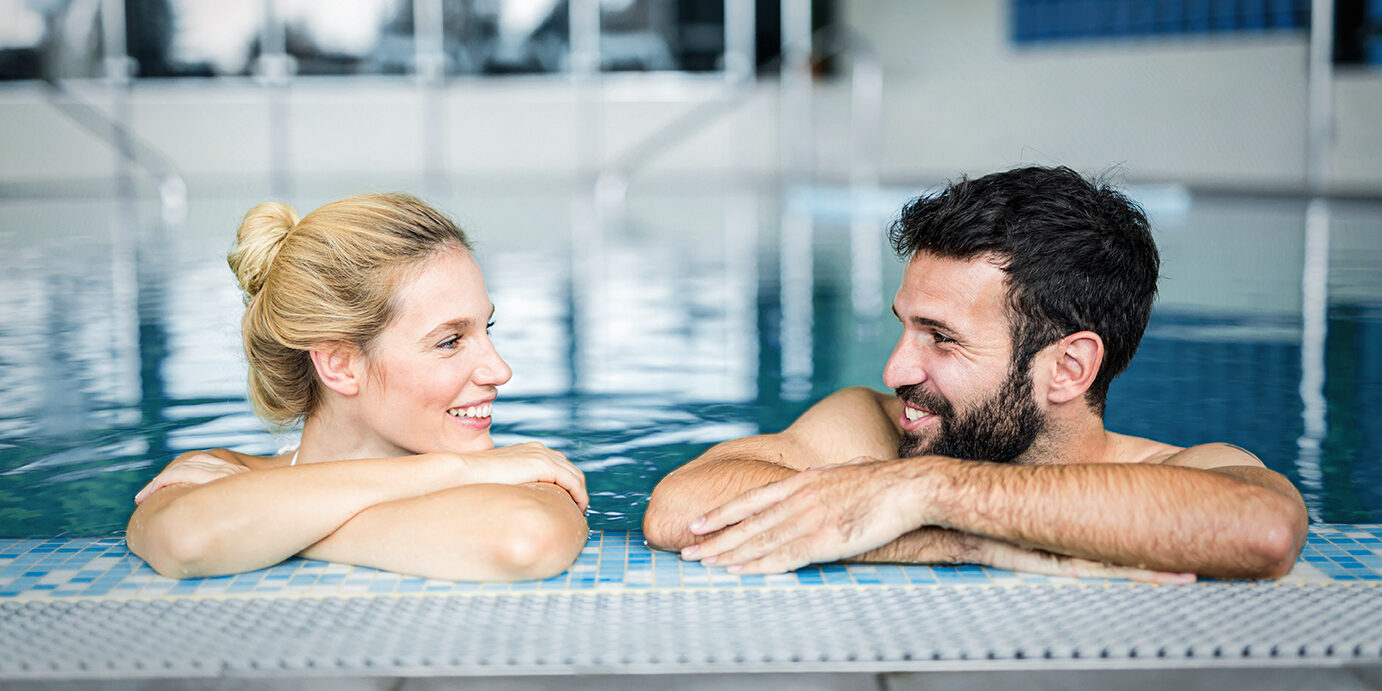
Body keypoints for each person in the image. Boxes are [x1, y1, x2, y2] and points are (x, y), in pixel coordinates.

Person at [643, 166, 1308, 582]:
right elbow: (679, 508)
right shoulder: (874, 429)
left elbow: (1266, 530)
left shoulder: (1181, 473)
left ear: (1068, 367)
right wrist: (956, 535)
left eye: (941, 338)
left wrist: (925, 486)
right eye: (905, 325)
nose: (896, 368)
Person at [127, 193, 589, 581]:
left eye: (486, 329)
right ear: (340, 364)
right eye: (450, 341)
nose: (499, 370)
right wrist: (456, 472)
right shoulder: (494, 472)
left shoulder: (229, 488)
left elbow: (525, 540)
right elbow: (186, 541)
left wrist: (268, 532)